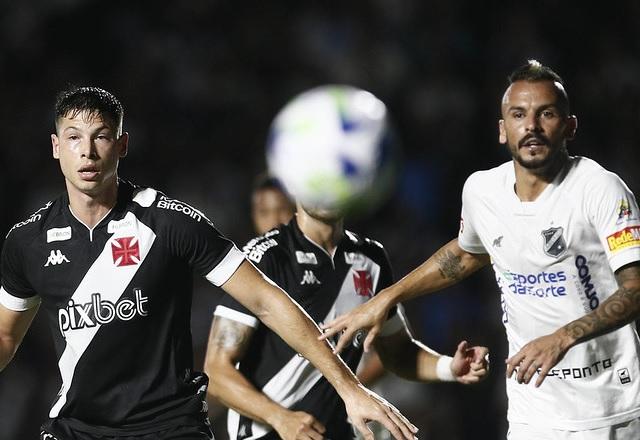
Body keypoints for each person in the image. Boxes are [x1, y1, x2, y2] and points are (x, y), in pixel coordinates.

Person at [0, 86, 418, 440]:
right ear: (56, 147)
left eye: (101, 136)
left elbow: (267, 302)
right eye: (73, 137)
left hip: (169, 428)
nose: (87, 151)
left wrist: (350, 389)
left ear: (122, 144)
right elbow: (5, 339)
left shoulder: (170, 222)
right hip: (76, 429)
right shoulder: (26, 243)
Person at [320, 60, 640, 439]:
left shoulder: (600, 189)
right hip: (533, 409)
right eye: (519, 115)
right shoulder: (482, 191)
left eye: (547, 114)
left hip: (611, 407)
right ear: (503, 131)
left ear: (570, 126)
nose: (532, 126)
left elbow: (635, 289)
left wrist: (563, 337)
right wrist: (386, 298)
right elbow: (466, 253)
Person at [204, 199, 490, 440]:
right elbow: (216, 373)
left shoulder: (370, 259)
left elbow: (397, 353)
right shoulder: (266, 256)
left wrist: (448, 367)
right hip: (267, 434)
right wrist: (281, 419)